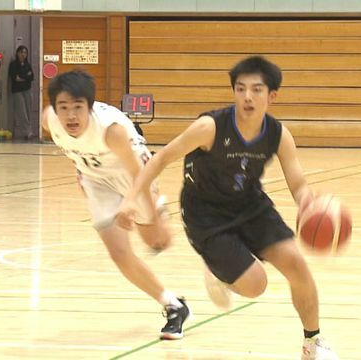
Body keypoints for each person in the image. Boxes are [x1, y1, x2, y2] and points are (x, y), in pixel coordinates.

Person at [117, 56, 338, 359]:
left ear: (272, 96)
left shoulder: (278, 135)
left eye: (257, 90)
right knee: (255, 286)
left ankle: (312, 344)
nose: (248, 97)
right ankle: (217, 269)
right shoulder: (209, 127)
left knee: (296, 264)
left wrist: (308, 203)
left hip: (250, 204)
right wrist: (130, 200)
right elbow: (161, 158)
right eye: (241, 89)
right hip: (206, 214)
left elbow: (297, 182)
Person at [41, 70, 190, 340]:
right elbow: (73, 147)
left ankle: (158, 210)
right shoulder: (49, 121)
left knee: (157, 240)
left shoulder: (111, 132)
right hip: (96, 179)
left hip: (132, 173)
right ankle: (173, 305)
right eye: (63, 108)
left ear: (89, 106)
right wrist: (80, 169)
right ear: (54, 108)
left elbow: (138, 173)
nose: (71, 116)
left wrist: (132, 204)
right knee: (119, 252)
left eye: (78, 107)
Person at [9, 45, 35, 141]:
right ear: (17, 53)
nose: (23, 54)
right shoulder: (13, 65)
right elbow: (16, 78)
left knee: (28, 111)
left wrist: (23, 77)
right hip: (17, 91)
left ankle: (28, 131)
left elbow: (31, 77)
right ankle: (27, 132)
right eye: (21, 52)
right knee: (22, 112)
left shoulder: (28, 64)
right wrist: (25, 76)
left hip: (27, 90)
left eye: (25, 52)